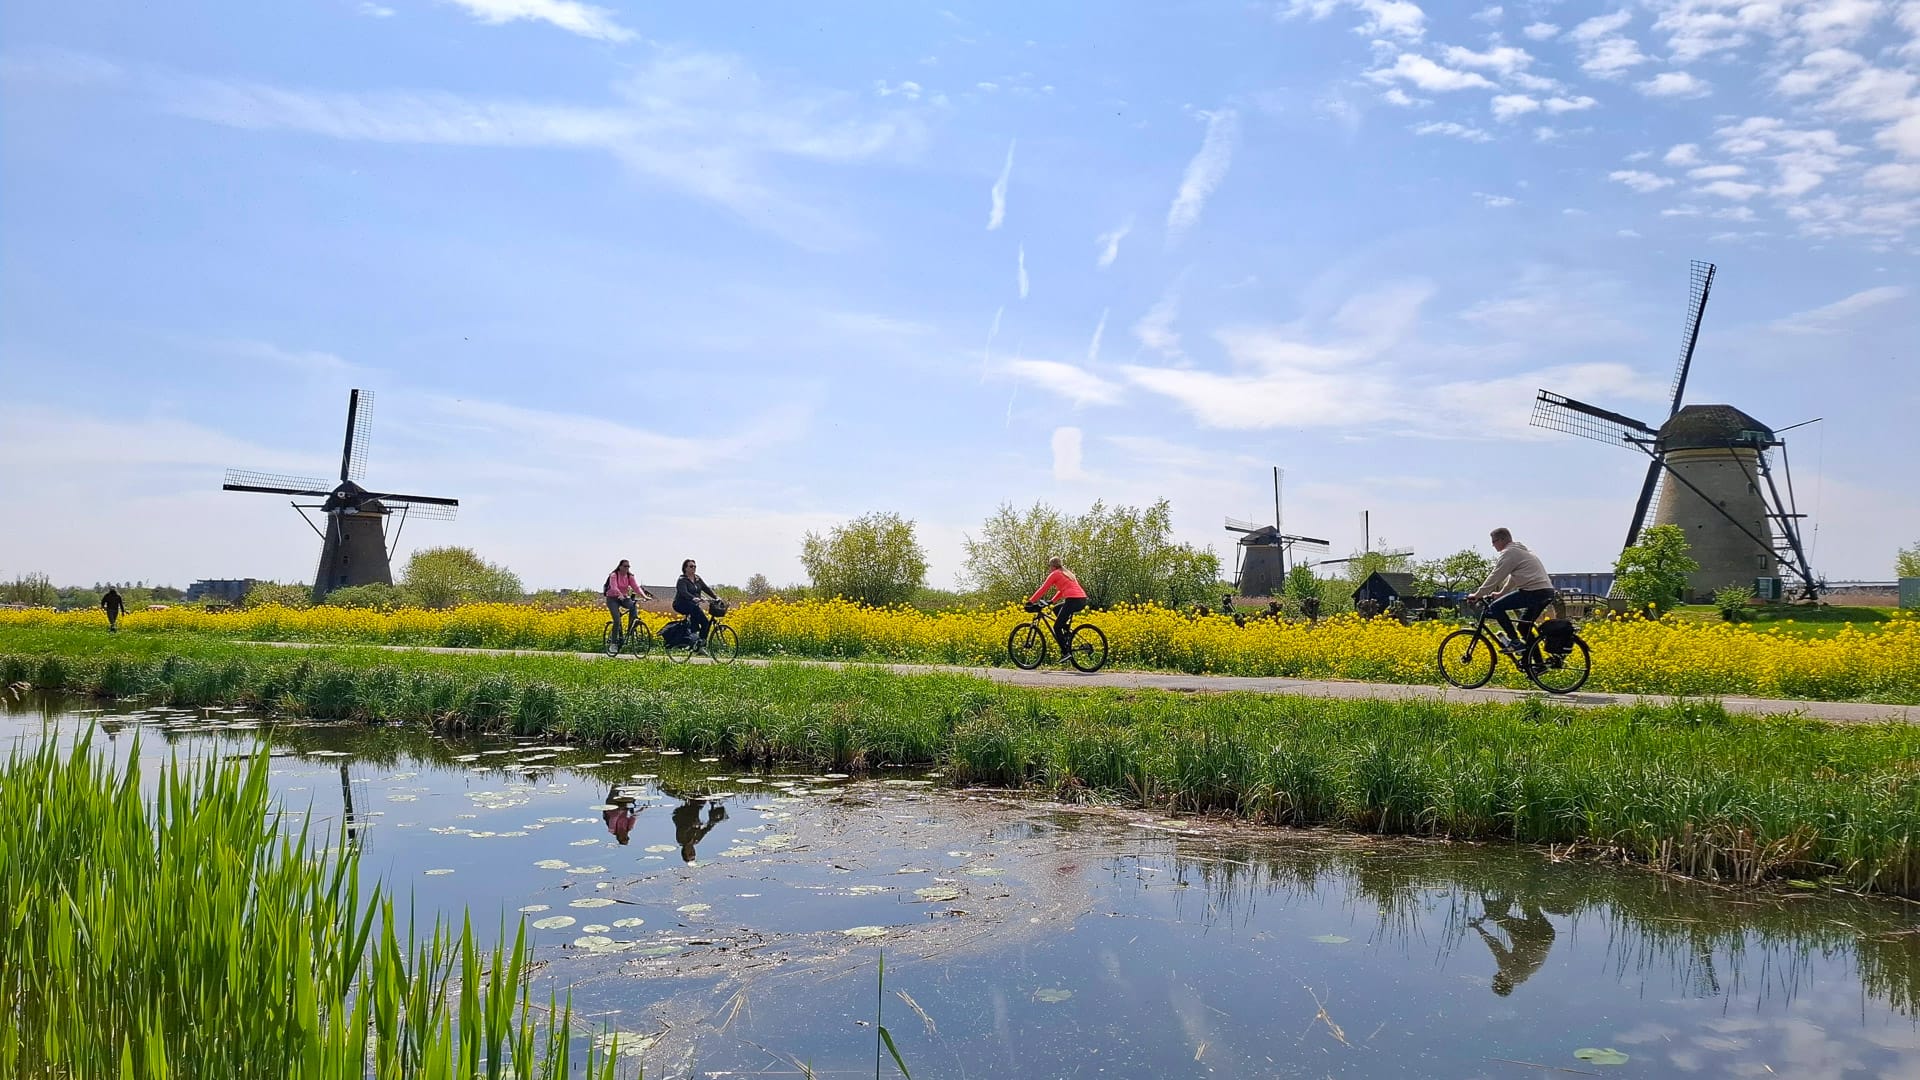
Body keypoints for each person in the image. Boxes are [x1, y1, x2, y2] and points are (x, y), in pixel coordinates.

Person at [1468, 527, 1556, 650]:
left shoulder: (1509, 552)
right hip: (1545, 592)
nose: (1492, 545)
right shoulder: (1520, 551)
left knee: (1496, 607)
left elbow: (1496, 576)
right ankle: (1537, 666)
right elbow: (1514, 578)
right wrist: (1501, 593)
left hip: (1534, 592)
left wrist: (1478, 594)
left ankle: (1514, 641)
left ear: (1502, 539)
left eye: (1494, 541)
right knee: (1523, 628)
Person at [1027, 557, 1089, 658]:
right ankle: (1066, 632)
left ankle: (1066, 653)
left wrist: (1031, 601)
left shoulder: (1055, 574)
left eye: (1049, 566)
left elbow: (1043, 588)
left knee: (1056, 627)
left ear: (1052, 566)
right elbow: (1062, 590)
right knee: (1056, 609)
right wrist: (1052, 601)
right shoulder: (1067, 573)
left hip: (1072, 600)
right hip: (1081, 600)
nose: (1049, 569)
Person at [603, 559, 653, 646]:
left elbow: (636, 587)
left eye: (628, 566)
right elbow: (614, 587)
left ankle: (631, 628)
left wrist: (644, 596)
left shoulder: (629, 576)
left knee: (633, 606)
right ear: (620, 567)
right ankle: (613, 643)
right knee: (617, 620)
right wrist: (620, 594)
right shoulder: (614, 575)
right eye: (625, 566)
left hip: (624, 598)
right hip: (612, 599)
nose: (627, 568)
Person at [673, 558, 720, 642]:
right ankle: (693, 633)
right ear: (685, 568)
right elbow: (684, 592)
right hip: (681, 604)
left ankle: (700, 644)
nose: (693, 568)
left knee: (705, 622)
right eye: (691, 566)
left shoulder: (697, 578)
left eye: (695, 566)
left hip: (693, 605)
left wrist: (716, 597)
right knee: (694, 609)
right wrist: (693, 598)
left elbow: (706, 588)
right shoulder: (682, 580)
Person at [672, 798, 726, 863]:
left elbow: (683, 828)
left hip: (682, 814)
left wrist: (692, 825)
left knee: (698, 803)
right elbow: (706, 830)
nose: (693, 851)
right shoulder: (696, 840)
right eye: (694, 853)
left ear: (684, 852)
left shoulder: (681, 839)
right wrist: (713, 822)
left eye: (690, 854)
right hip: (693, 814)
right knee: (701, 802)